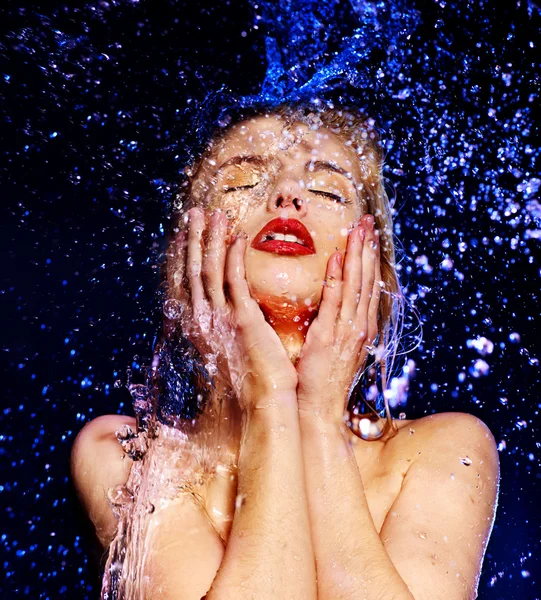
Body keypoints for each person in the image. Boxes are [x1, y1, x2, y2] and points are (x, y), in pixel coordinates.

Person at [71, 103, 500, 600]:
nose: (287, 195)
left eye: (326, 190)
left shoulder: (441, 450)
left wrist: (317, 415)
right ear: (182, 261)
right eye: (241, 182)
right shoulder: (129, 456)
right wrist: (270, 400)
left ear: (377, 276)